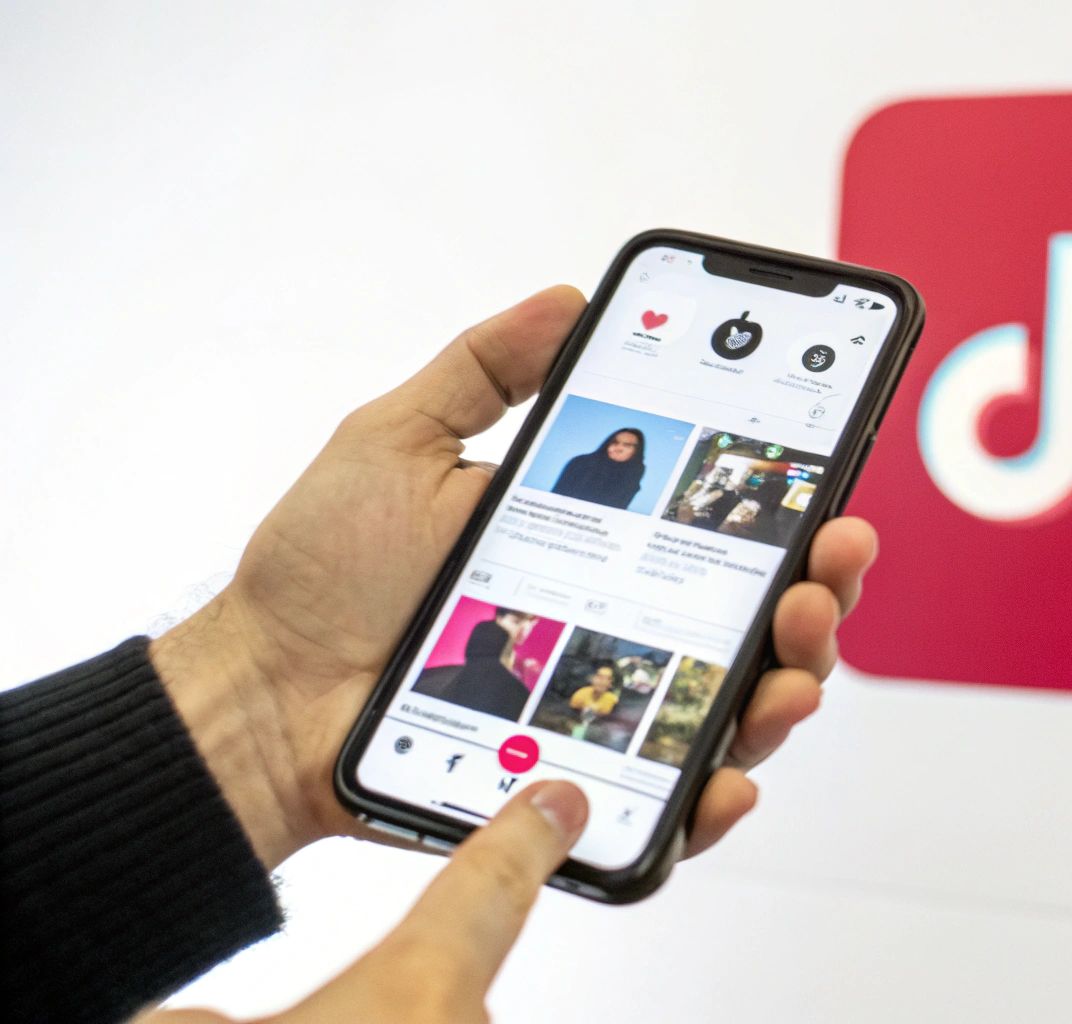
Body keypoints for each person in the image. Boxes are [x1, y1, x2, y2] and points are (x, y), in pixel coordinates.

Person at [0, 286, 878, 1023]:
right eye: (611, 440)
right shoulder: (574, 479)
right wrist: (255, 698)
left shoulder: (645, 490)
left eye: (624, 443)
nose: (617, 445)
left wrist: (248, 711)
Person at [413, 608, 540, 720]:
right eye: (516, 621)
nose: (523, 629)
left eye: (529, 624)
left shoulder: (528, 669)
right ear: (499, 618)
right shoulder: (476, 651)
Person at [551, 427, 646, 508]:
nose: (618, 448)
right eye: (614, 443)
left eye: (627, 445)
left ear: (637, 451)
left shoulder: (634, 474)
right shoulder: (582, 463)